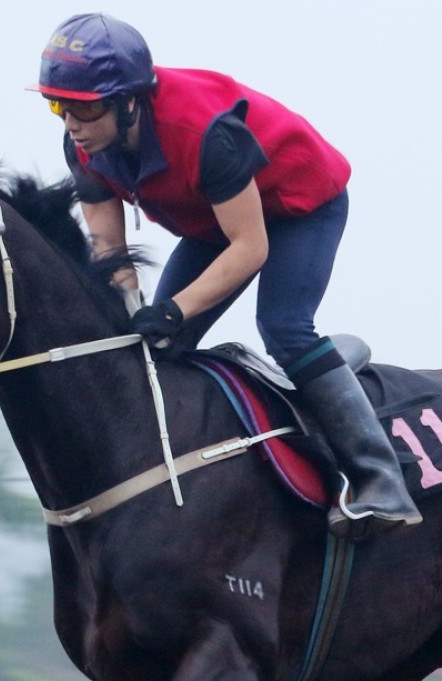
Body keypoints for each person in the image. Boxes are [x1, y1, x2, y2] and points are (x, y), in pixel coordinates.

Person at [29, 13, 421, 538]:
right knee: (159, 348)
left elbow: (251, 247)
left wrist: (170, 310)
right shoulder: (83, 145)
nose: (71, 122)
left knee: (283, 327)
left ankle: (382, 480)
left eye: (84, 107)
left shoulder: (208, 134)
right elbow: (110, 250)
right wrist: (128, 316)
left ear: (129, 101)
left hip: (299, 207)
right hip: (217, 219)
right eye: (58, 105)